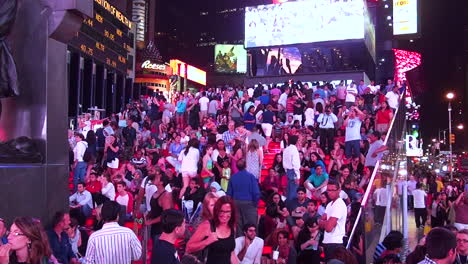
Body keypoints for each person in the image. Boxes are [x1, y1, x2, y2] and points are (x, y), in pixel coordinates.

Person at [186, 196, 239, 264]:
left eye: (228, 211)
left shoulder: (232, 226)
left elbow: (231, 253)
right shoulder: (207, 225)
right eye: (221, 211)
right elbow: (188, 248)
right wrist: (207, 241)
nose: (224, 215)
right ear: (216, 211)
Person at [227, 159, 260, 236]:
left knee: (239, 226)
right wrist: (255, 204)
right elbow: (256, 192)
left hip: (236, 203)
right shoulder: (251, 177)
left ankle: (240, 246)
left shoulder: (233, 177)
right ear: (246, 166)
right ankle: (252, 246)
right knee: (251, 225)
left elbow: (229, 194)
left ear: (237, 167)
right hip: (249, 203)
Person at [319, 179, 347, 261]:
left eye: (332, 190)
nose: (330, 192)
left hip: (335, 243)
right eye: (328, 190)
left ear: (339, 190)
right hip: (327, 242)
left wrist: (325, 223)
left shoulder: (339, 204)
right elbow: (320, 221)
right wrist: (326, 222)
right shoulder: (329, 205)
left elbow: (328, 228)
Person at [146, 171, 174, 239]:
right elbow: (155, 209)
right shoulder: (155, 193)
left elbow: (166, 214)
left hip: (161, 230)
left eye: (157, 178)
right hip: (154, 227)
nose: (154, 178)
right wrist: (149, 214)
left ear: (161, 182)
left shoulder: (165, 196)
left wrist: (150, 222)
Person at [282, 135, 301, 200]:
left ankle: (288, 206)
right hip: (293, 172)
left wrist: (286, 171)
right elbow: (295, 164)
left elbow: (284, 163)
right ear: (295, 141)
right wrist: (297, 176)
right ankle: (292, 207)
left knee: (289, 190)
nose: (299, 142)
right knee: (293, 191)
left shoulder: (286, 149)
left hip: (287, 171)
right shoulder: (294, 150)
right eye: (298, 140)